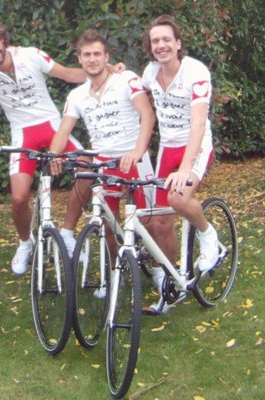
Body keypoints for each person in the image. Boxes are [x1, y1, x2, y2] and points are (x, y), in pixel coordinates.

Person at [0, 23, 123, 275]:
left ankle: (67, 232)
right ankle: (25, 243)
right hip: (22, 134)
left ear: (3, 40)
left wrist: (109, 70)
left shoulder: (31, 55)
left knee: (87, 168)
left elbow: (68, 74)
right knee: (19, 197)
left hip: (52, 125)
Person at [49, 29, 156, 270]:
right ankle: (114, 273)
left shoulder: (126, 79)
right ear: (79, 59)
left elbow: (147, 115)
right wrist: (54, 155)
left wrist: (137, 152)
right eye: (87, 54)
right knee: (108, 225)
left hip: (134, 159)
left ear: (107, 57)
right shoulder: (76, 96)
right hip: (104, 165)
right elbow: (63, 131)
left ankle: (159, 273)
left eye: (97, 54)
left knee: (149, 221)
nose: (92, 59)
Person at [140, 15, 222, 315]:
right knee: (160, 223)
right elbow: (132, 85)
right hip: (167, 148)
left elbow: (198, 123)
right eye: (155, 41)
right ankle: (173, 284)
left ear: (178, 44)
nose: (160, 45)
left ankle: (208, 235)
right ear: (150, 47)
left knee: (177, 198)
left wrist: (186, 168)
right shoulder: (150, 73)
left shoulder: (195, 72)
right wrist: (115, 69)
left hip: (195, 145)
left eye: (166, 39)